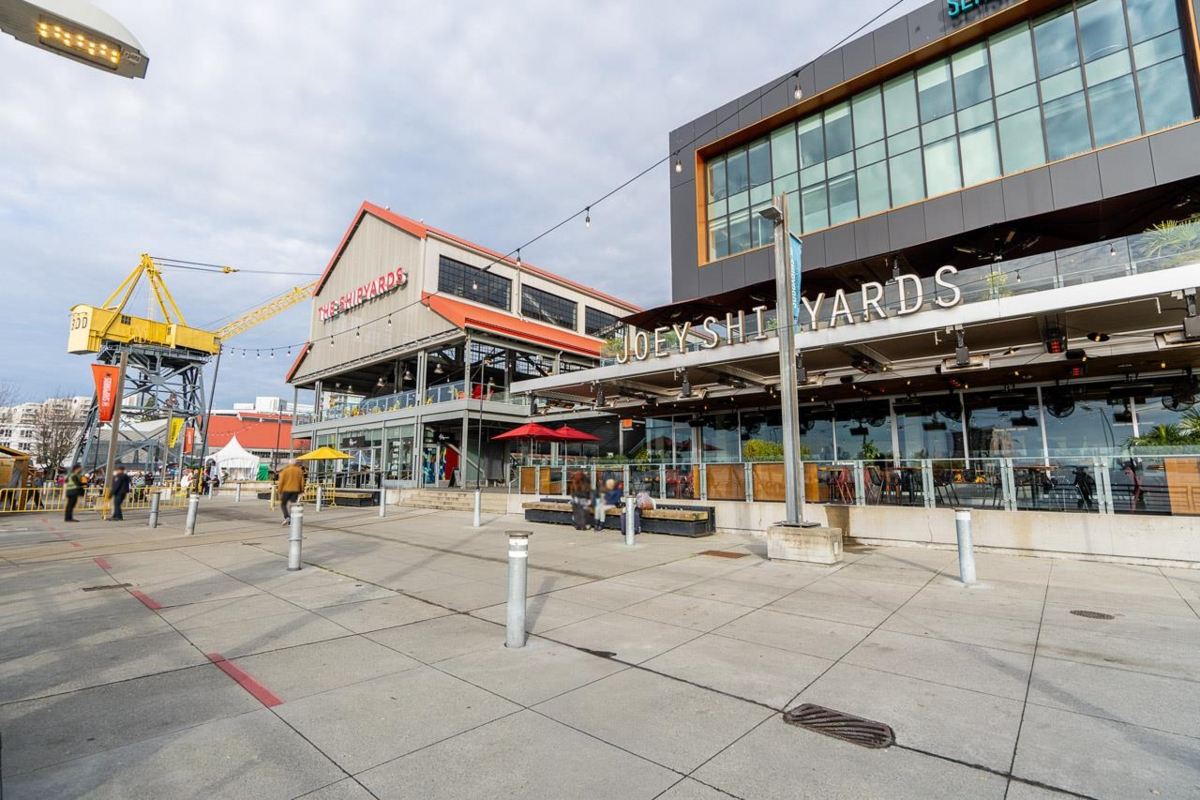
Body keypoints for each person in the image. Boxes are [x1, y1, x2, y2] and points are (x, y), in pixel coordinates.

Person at [277, 459, 305, 525]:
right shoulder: (299, 471)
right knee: (293, 505)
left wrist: (279, 491)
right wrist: (301, 490)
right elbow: (302, 482)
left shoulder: (285, 471)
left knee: (283, 504)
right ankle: (291, 519)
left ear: (289, 464)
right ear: (295, 464)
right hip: (295, 490)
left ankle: (287, 517)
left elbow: (281, 482)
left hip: (286, 490)